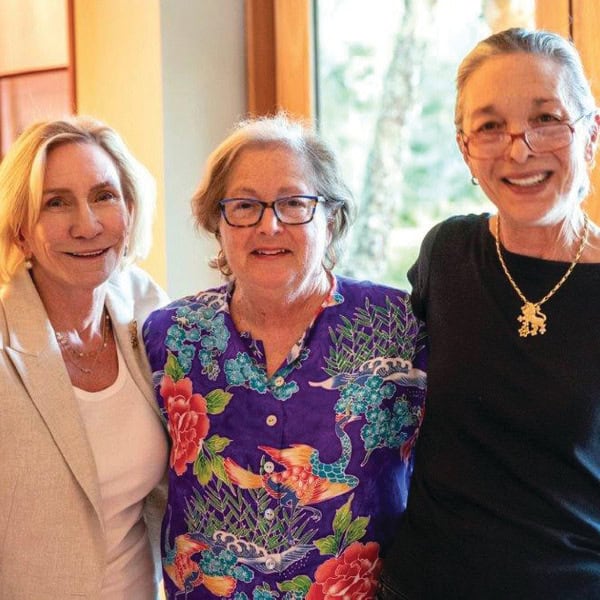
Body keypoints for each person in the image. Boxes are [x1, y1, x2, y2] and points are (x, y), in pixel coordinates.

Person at [142, 113, 427, 599]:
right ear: (217, 223)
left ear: (331, 218)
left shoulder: (401, 325)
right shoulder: (169, 336)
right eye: (245, 206)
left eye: (294, 203)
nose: (269, 225)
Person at [378, 27, 600, 600]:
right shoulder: (446, 253)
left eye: (547, 118)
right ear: (464, 149)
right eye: (490, 126)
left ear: (591, 135)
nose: (519, 148)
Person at [0, 116, 170, 599]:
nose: (88, 225)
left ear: (130, 210)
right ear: (20, 230)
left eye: (104, 196)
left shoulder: (144, 310)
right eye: (56, 203)